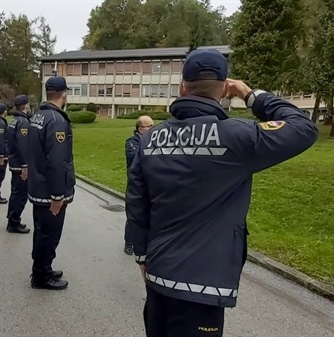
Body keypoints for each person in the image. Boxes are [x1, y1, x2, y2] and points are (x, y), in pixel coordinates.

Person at [126, 49, 318, 337]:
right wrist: (251, 95)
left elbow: (137, 201)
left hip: (158, 275)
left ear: (182, 87)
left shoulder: (151, 137)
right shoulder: (239, 136)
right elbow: (302, 127)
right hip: (203, 285)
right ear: (226, 88)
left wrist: (142, 255)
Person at [28, 77, 75, 290]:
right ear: (64, 94)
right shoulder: (56, 120)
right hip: (50, 191)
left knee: (42, 231)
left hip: (38, 185)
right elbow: (57, 161)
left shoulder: (38, 115)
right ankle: (41, 276)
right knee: (49, 234)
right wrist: (58, 195)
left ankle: (41, 267)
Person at [123, 115, 154, 255]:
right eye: (150, 126)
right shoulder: (132, 142)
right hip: (136, 185)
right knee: (134, 214)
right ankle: (129, 242)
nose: (152, 129)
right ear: (141, 129)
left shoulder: (153, 141)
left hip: (152, 184)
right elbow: (137, 156)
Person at [6, 95, 32, 234]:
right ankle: (14, 222)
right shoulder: (23, 122)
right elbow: (23, 145)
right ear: (26, 106)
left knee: (15, 193)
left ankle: (12, 219)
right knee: (21, 194)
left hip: (14, 161)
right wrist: (25, 165)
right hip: (20, 164)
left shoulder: (14, 120)